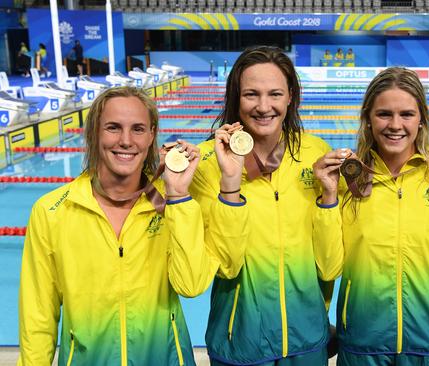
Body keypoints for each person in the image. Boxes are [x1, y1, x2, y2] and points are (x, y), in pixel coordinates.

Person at [18, 86, 218, 365]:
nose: (126, 140)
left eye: (138, 129)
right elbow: (37, 315)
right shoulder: (52, 211)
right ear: (94, 133)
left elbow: (192, 285)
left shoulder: (173, 204)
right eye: (113, 127)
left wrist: (179, 196)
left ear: (151, 136)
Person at [189, 45, 343, 366]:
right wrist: (230, 182)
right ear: (236, 98)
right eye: (251, 95)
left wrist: (329, 198)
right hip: (240, 344)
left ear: (291, 98)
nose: (263, 106)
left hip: (306, 342)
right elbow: (226, 265)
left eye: (274, 94)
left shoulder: (316, 154)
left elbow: (329, 266)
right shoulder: (206, 164)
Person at [333, 67, 429, 366]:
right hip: (362, 339)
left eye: (407, 114)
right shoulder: (344, 178)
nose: (395, 125)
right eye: (384, 114)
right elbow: (326, 261)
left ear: (421, 119)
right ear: (368, 118)